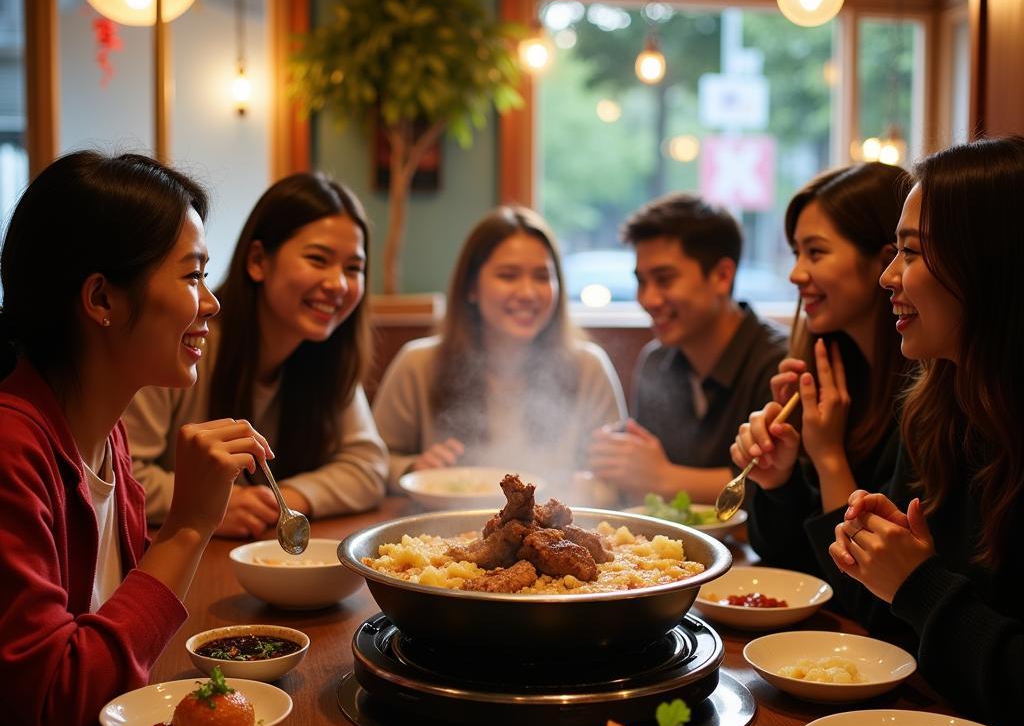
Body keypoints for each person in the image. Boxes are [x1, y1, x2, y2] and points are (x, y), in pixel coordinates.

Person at [0, 151, 271, 726]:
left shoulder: (106, 435)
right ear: (101, 300)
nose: (210, 302)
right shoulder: (11, 449)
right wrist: (188, 529)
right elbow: (55, 701)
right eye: (191, 275)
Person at [828, 136, 1024, 726]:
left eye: (911, 254)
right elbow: (884, 623)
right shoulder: (939, 409)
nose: (887, 277)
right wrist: (876, 555)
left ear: (986, 265)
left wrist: (918, 584)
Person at [126, 172, 387, 535]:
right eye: (318, 259)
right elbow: (123, 472)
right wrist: (209, 503)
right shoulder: (186, 346)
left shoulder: (329, 356)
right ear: (258, 261)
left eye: (353, 268)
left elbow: (368, 466)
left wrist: (282, 499)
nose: (338, 284)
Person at [729, 163, 912, 584]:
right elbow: (790, 564)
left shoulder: (925, 396)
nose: (796, 274)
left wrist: (828, 457)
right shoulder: (831, 373)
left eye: (816, 252)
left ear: (884, 261)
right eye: (795, 252)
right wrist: (779, 480)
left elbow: (873, 592)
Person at [371, 205, 626, 495]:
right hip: (445, 530)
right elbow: (374, 463)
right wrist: (413, 469)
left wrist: (594, 483)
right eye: (508, 275)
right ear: (471, 289)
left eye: (542, 277)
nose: (528, 293)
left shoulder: (589, 366)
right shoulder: (418, 363)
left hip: (554, 533)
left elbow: (615, 475)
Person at [588, 192, 787, 504]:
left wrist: (663, 477)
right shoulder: (657, 362)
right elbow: (643, 491)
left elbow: (782, 492)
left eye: (664, 280)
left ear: (722, 276)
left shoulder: (778, 364)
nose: (648, 299)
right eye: (641, 282)